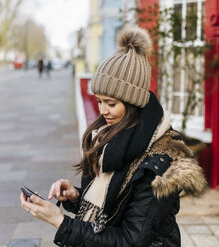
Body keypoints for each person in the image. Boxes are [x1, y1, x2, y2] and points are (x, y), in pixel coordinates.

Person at [20, 26, 207, 247]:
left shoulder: (159, 166)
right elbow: (113, 208)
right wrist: (76, 197)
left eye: (111, 103)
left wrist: (60, 222)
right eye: (99, 101)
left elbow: (130, 241)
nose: (102, 111)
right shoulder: (110, 140)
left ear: (133, 103)